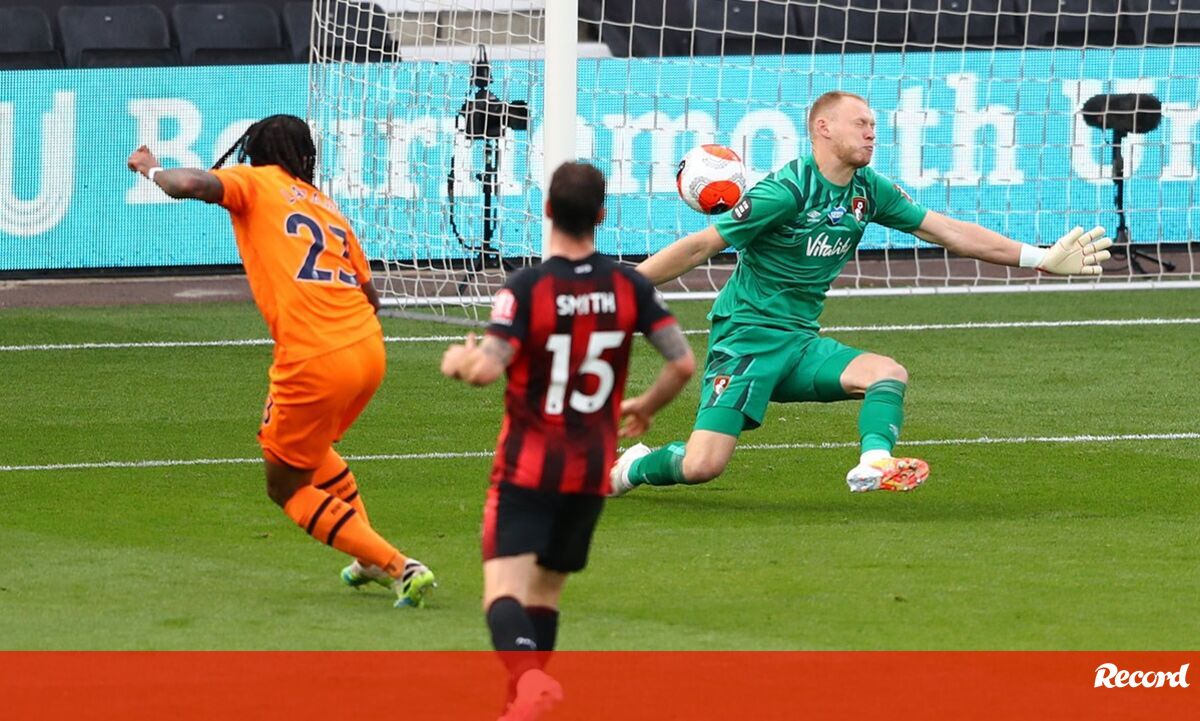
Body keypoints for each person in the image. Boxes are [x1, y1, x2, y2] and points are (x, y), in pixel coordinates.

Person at [609, 90, 1112, 497]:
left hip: (801, 343)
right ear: (823, 128)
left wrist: (1038, 257)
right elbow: (700, 246)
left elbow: (949, 232)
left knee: (887, 372)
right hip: (746, 341)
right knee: (702, 466)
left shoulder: (868, 190)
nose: (872, 132)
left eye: (874, 125)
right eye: (861, 124)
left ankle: (874, 462)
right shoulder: (785, 191)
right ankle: (628, 470)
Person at [126, 114, 436, 608]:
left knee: (286, 486)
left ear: (255, 153)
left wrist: (149, 167)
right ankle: (368, 559)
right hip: (367, 348)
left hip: (314, 355)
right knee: (311, 449)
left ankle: (400, 567)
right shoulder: (326, 207)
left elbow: (186, 184)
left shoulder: (256, 181)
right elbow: (372, 297)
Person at [441, 162, 695, 721]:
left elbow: (486, 370)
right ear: (602, 215)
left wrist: (459, 360)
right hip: (591, 469)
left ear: (548, 210)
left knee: (503, 591)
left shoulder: (527, 288)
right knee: (546, 595)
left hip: (528, 467)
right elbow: (681, 363)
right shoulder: (629, 285)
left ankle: (528, 679)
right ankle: (522, 704)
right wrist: (646, 407)